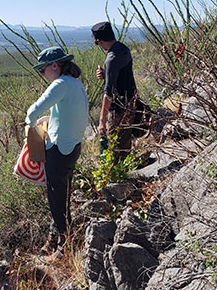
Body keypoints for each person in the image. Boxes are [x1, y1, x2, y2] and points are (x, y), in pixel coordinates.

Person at [26, 46, 89, 256]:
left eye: (42, 70)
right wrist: (50, 119)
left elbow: (33, 110)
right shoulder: (75, 84)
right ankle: (57, 236)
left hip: (60, 150)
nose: (42, 75)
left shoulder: (60, 84)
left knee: (56, 198)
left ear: (55, 66)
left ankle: (65, 245)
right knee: (63, 194)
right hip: (73, 147)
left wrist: (30, 122)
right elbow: (66, 112)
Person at [92, 21, 137, 161]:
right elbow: (122, 73)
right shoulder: (123, 48)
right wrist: (105, 73)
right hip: (130, 101)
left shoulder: (111, 58)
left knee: (115, 147)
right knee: (125, 142)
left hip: (118, 108)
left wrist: (101, 121)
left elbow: (108, 94)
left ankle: (121, 178)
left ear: (99, 41)